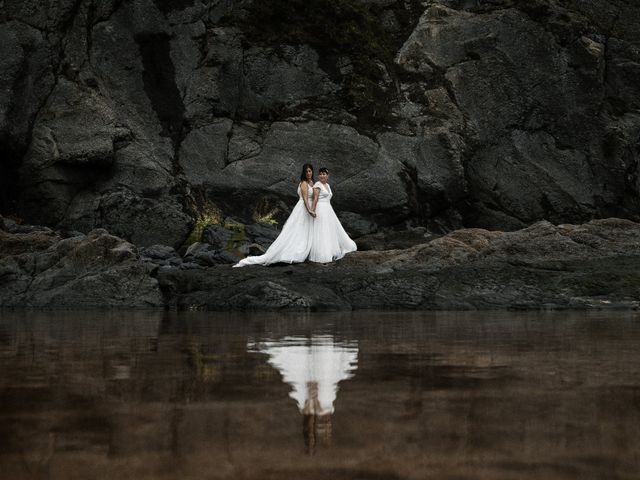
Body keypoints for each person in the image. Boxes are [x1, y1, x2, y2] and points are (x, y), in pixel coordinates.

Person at [232, 164, 316, 267]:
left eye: (310, 171)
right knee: (298, 230)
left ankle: (306, 248)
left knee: (304, 230)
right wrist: (310, 210)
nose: (309, 173)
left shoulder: (311, 183)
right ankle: (293, 251)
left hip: (308, 208)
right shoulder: (303, 183)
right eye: (307, 171)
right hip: (304, 209)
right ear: (304, 172)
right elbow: (305, 200)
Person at [309, 167, 357, 263]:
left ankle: (331, 249)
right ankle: (322, 252)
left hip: (328, 210)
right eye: (321, 174)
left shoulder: (327, 185)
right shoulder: (317, 185)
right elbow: (315, 199)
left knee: (330, 229)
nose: (322, 175)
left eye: (324, 174)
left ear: (328, 175)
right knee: (322, 230)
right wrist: (312, 210)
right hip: (321, 209)